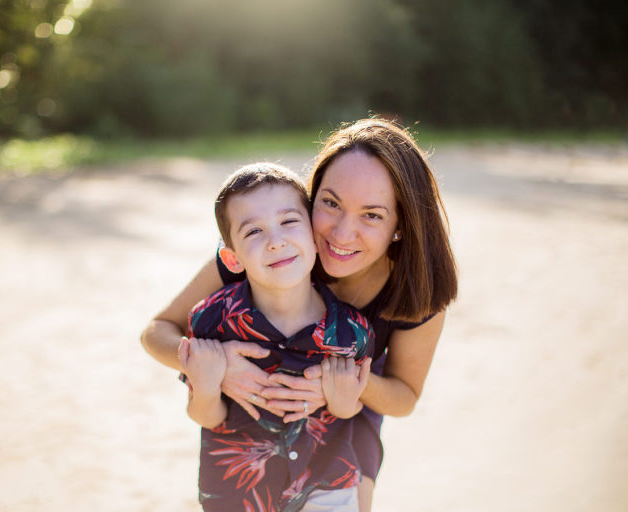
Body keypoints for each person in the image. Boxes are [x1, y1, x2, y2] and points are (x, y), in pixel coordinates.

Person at [141, 117, 459, 511]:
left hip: (351, 403)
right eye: (331, 203)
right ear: (311, 198)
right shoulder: (276, 248)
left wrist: (341, 381)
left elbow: (404, 396)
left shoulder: (416, 289)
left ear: (400, 226)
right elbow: (157, 331)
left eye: (372, 215)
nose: (342, 233)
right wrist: (217, 363)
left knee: (353, 499)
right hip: (251, 427)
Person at [179, 162, 374, 511]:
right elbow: (206, 416)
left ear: (314, 237)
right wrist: (207, 385)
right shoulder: (211, 320)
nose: (275, 241)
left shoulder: (352, 331)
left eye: (288, 222)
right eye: (254, 232)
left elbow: (348, 410)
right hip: (238, 493)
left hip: (325, 485)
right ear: (232, 258)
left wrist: (340, 397)